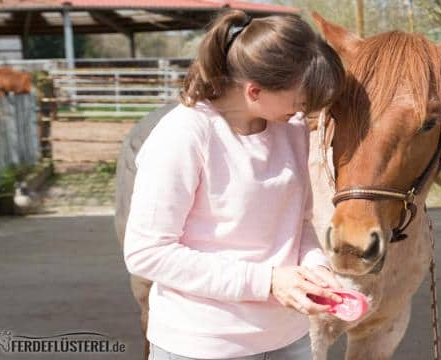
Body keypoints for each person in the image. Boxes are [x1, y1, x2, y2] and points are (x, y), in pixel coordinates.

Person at [122, 9, 346, 360]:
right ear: (254, 90)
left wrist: (316, 267)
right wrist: (268, 281)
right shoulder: (184, 135)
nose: (307, 108)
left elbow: (296, 224)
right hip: (202, 345)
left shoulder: (292, 128)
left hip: (291, 339)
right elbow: (147, 253)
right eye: (301, 98)